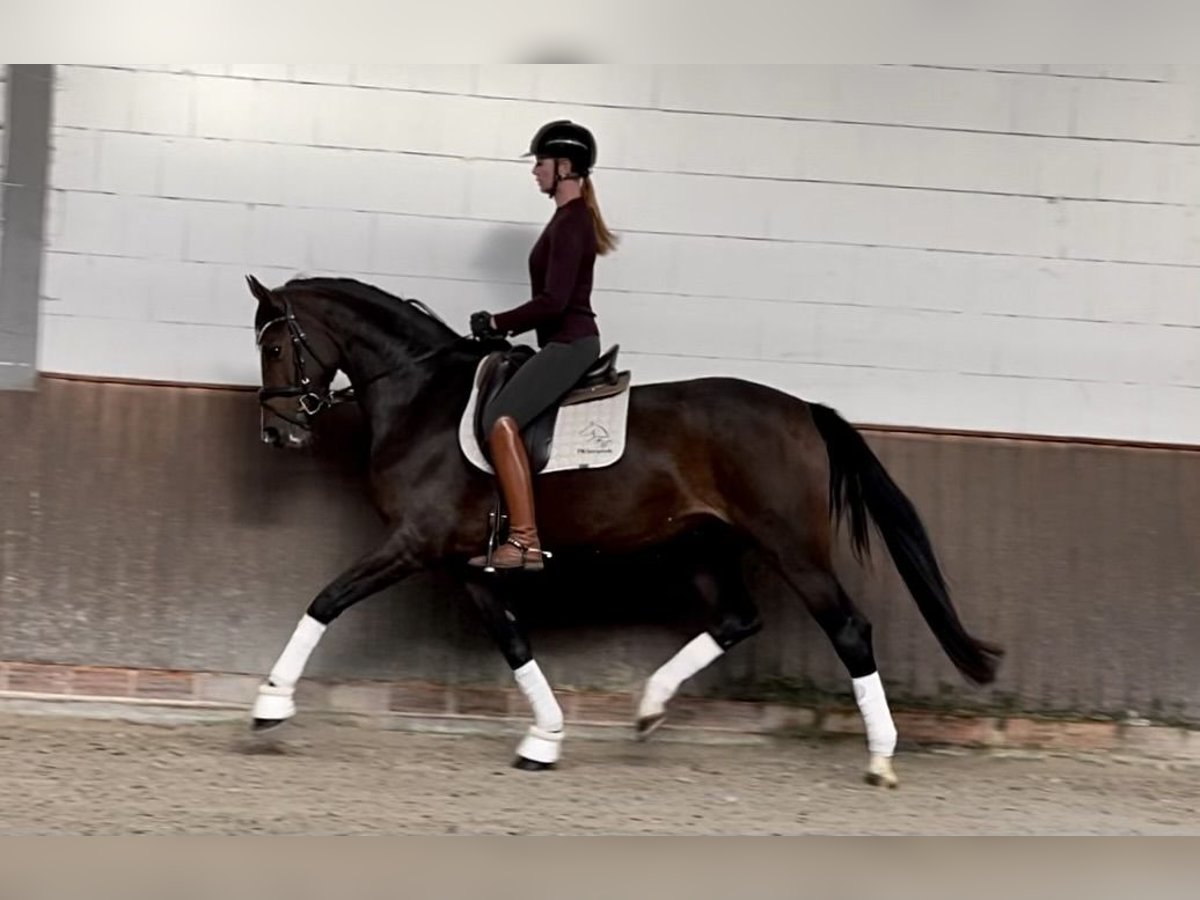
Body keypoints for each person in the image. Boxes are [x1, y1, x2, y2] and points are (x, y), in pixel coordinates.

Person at [468, 119, 619, 572]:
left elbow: (554, 302)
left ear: (565, 167)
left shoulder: (573, 222)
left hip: (572, 343)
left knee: (499, 419)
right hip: (564, 340)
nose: (535, 171)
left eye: (540, 163)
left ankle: (525, 540)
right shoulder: (566, 219)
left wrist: (499, 321)